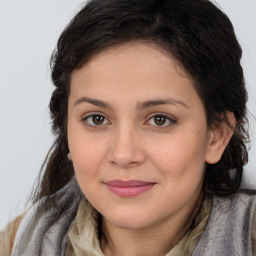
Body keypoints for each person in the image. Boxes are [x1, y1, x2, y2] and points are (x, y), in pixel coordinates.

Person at [0, 0, 255, 255]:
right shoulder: (14, 245)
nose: (123, 154)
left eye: (159, 120)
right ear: (67, 132)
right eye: (96, 119)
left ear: (217, 136)